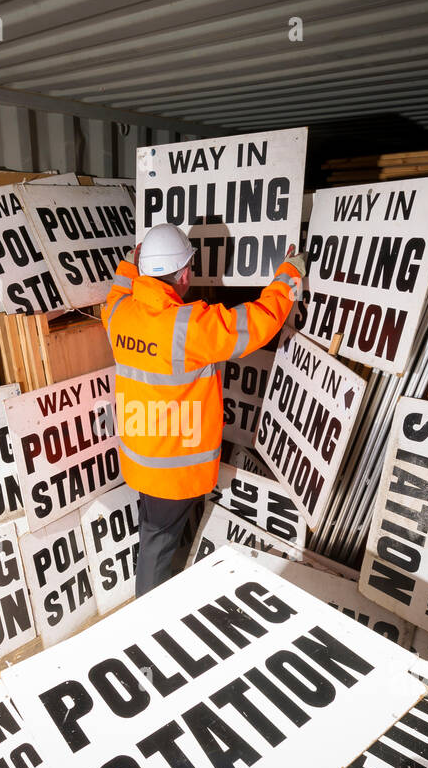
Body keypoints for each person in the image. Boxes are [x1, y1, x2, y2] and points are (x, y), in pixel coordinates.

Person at [102, 223, 306, 597]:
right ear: (184, 274)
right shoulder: (188, 326)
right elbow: (257, 321)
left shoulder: (116, 313)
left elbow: (119, 286)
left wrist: (130, 267)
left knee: (156, 535)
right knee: (158, 546)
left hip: (141, 460)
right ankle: (145, 627)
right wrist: (289, 275)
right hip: (173, 473)